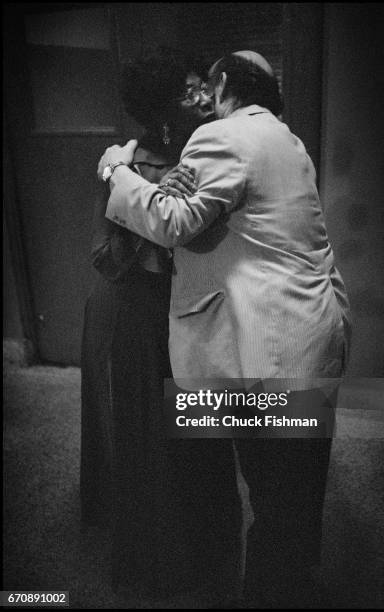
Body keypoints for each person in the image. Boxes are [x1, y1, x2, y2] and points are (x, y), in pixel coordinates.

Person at [97, 50, 351, 607]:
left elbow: (174, 223)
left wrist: (117, 171)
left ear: (225, 84)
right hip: (310, 328)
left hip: (266, 344)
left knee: (276, 489)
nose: (201, 98)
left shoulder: (223, 137)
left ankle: (272, 592)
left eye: (204, 85)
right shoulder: (285, 137)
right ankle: (291, 579)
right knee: (297, 488)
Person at [81, 47, 241, 600]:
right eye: (189, 90)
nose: (203, 96)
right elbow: (104, 257)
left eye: (204, 86)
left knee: (203, 434)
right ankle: (159, 566)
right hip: (144, 316)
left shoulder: (218, 149)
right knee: (154, 441)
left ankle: (209, 553)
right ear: (163, 108)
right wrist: (146, 208)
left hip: (199, 313)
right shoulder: (123, 164)